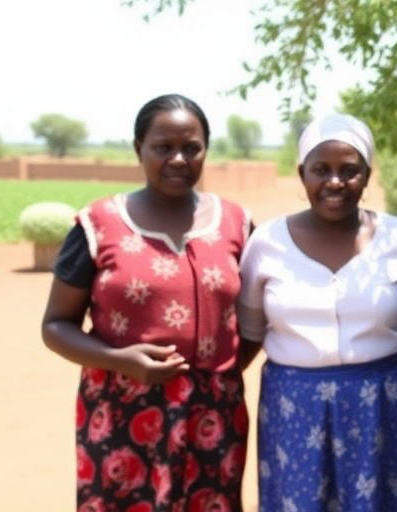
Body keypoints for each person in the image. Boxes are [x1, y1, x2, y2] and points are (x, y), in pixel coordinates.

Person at [41, 94, 252, 510]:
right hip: (120, 410)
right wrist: (123, 362)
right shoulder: (99, 225)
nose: (178, 158)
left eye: (191, 148)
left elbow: (257, 318)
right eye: (163, 147)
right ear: (139, 149)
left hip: (214, 416)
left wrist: (218, 373)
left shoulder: (236, 224)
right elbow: (55, 326)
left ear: (206, 150)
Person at [235, 113, 397, 511]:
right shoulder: (266, 243)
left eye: (349, 170)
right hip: (293, 405)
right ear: (301, 173)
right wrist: (212, 386)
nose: (335, 182)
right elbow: (251, 333)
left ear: (366, 174)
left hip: (381, 402)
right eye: (320, 169)